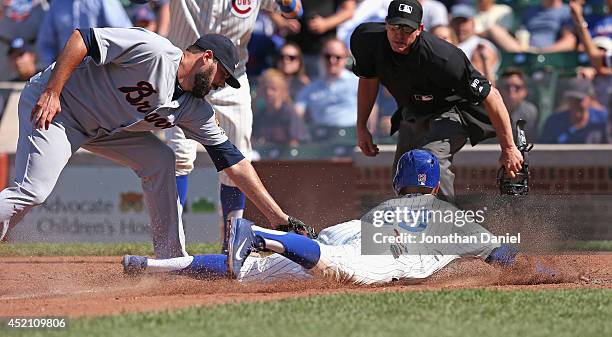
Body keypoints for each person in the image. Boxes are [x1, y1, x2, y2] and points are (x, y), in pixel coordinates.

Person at [0, 28, 307, 259]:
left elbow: (233, 161)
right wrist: (53, 91)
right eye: (221, 75)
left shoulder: (195, 108)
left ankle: (170, 258)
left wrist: (278, 218)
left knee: (160, 159)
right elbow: (83, 38)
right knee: (32, 191)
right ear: (206, 57)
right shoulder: (154, 51)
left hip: (104, 128)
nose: (219, 85)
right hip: (58, 108)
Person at [122, 149, 518, 285]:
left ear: (399, 185)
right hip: (382, 249)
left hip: (352, 230)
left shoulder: (390, 205)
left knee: (246, 270)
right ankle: (257, 235)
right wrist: (545, 272)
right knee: (340, 272)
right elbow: (502, 257)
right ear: (435, 188)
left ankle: (153, 265)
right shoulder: (449, 217)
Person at [160, 0, 303, 254]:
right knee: (178, 157)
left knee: (238, 157)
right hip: (183, 77)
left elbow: (294, 11)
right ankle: (170, 245)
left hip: (229, 80)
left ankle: (232, 241)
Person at [351, 0, 522, 203]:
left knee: (428, 161)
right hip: (412, 111)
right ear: (386, 23)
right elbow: (368, 79)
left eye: (407, 29)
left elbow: (492, 96)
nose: (399, 34)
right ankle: (409, 227)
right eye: (395, 27)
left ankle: (444, 223)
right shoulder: (366, 40)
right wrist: (361, 126)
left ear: (420, 29)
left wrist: (508, 148)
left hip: (452, 112)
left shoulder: (444, 57)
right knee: (405, 171)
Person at [295, 38, 358, 141]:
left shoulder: (358, 83)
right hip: (320, 139)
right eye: (327, 56)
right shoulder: (310, 89)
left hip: (352, 139)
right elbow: (297, 115)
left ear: (346, 58)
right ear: (321, 58)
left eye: (337, 57)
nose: (332, 61)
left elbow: (372, 111)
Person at [271, 0, 356, 77]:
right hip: (293, 52)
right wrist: (283, 22)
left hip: (322, 52)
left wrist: (326, 24)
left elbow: (349, 11)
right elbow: (268, 6)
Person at [36, 0, 132, 67]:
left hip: (102, 71)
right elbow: (46, 44)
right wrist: (53, 71)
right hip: (66, 76)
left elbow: (124, 35)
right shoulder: (57, 3)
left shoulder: (105, 1)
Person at [487, 0, 576, 53]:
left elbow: (569, 42)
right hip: (523, 49)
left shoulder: (566, 11)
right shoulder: (529, 10)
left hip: (548, 53)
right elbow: (520, 32)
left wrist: (542, 51)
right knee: (494, 30)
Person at [538, 77, 608, 144]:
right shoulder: (554, 122)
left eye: (580, 100)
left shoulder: (603, 120)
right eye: (573, 99)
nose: (576, 104)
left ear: (590, 99)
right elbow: (544, 151)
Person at [252, 69, 310, 146]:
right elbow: (253, 140)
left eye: (273, 89)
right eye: (265, 88)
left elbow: (295, 144)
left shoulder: (289, 113)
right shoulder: (261, 115)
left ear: (282, 91)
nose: (268, 93)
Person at [450, 4, 500, 85]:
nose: (460, 26)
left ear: (473, 23)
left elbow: (481, 83)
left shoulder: (482, 46)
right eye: (457, 22)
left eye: (464, 22)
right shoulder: (446, 43)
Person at [498, 68, 540, 142]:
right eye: (507, 87)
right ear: (498, 90)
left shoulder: (530, 112)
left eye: (517, 87)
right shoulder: (489, 110)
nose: (512, 92)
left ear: (525, 91)